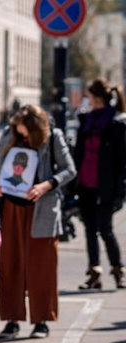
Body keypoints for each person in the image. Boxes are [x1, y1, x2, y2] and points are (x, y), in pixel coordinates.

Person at [0, 104, 76, 340]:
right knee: (10, 264)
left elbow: (69, 170)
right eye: (19, 132)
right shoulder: (10, 134)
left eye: (25, 133)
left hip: (42, 209)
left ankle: (42, 320)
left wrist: (46, 185)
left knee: (43, 266)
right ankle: (12, 320)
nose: (22, 136)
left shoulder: (53, 137)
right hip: (11, 208)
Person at [74, 78, 126, 290]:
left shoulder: (116, 124)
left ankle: (118, 270)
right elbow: (78, 154)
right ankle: (94, 273)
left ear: (97, 98)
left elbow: (122, 161)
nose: (88, 100)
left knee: (105, 229)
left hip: (106, 186)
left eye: (90, 97)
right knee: (89, 230)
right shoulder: (85, 121)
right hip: (85, 183)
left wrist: (120, 191)